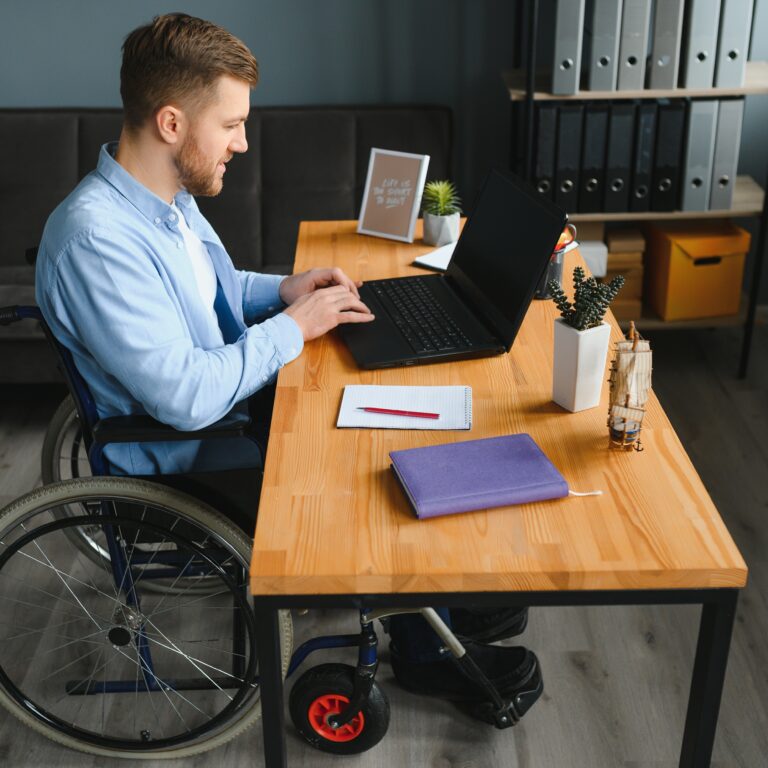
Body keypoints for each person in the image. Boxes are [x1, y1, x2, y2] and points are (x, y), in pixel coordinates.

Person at [35, 12, 541, 725]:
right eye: (232, 124)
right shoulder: (97, 240)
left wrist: (285, 291)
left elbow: (215, 286)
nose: (243, 143)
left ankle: (439, 604)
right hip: (194, 457)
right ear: (172, 123)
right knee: (372, 461)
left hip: (233, 411)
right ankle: (427, 649)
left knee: (388, 394)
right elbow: (184, 397)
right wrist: (293, 329)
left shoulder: (160, 201)